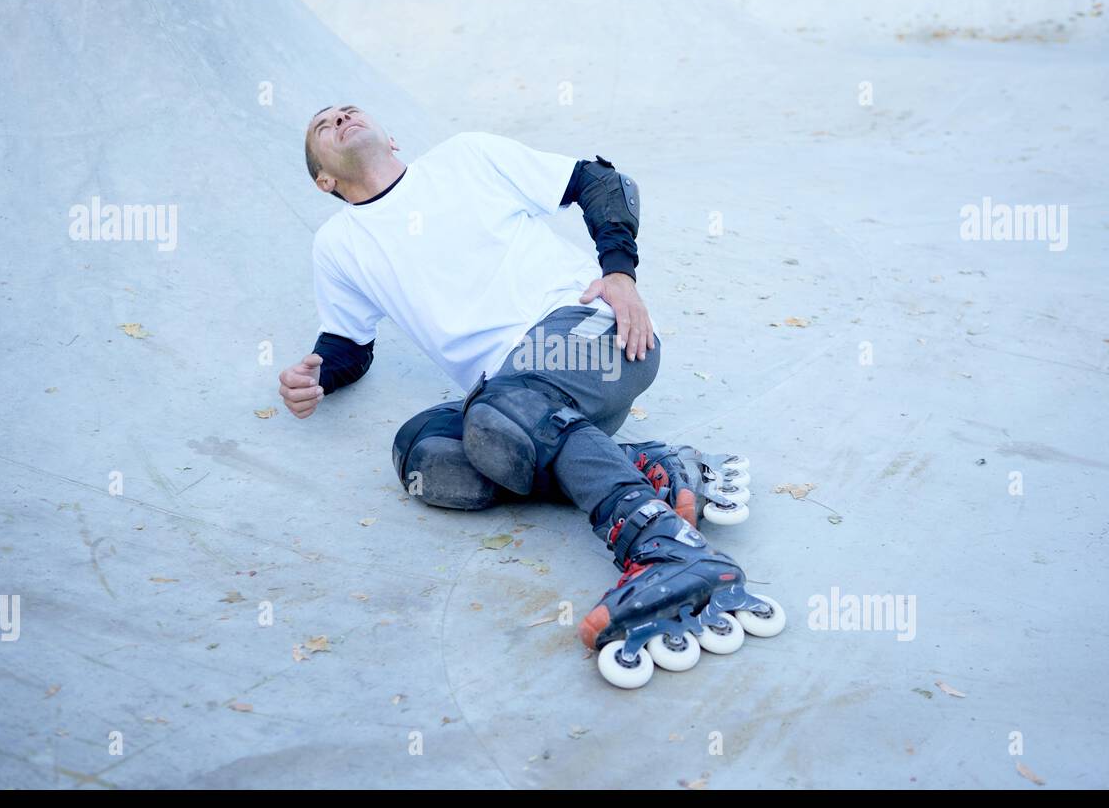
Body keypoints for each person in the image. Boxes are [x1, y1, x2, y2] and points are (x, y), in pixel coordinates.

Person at [277, 105, 782, 688]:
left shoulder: (466, 158)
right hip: (513, 403)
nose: (341, 118)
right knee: (425, 455)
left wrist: (620, 275)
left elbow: (601, 181)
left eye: (349, 111)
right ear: (325, 180)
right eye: (324, 125)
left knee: (501, 413)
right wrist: (316, 376)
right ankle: (643, 468)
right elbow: (347, 344)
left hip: (593, 333)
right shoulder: (338, 244)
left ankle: (670, 549)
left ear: (391, 137)